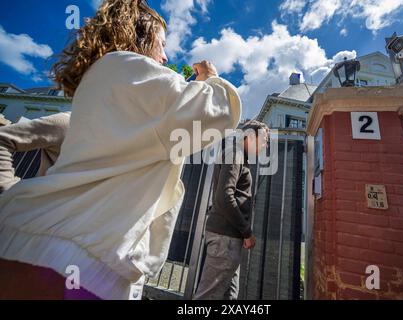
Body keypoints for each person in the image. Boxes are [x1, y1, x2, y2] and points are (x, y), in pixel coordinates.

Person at [0, 0, 241, 300]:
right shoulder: (126, 67)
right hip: (78, 263)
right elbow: (214, 113)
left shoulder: (100, 82)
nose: (165, 57)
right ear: (138, 35)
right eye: (162, 44)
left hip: (30, 241)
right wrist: (212, 79)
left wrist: (15, 197)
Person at [194, 120, 269, 300]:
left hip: (229, 238)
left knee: (230, 297)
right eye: (264, 140)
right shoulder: (234, 154)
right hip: (225, 239)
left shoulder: (238, 155)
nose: (265, 145)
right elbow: (225, 197)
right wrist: (247, 232)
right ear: (250, 137)